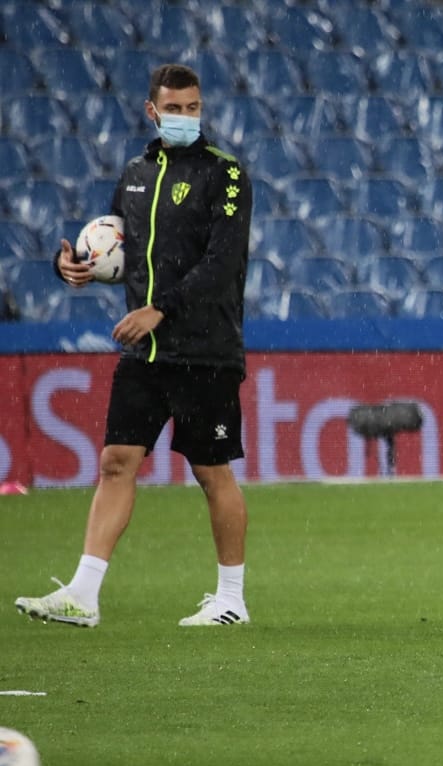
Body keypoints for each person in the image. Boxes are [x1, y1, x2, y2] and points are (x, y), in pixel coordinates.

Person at [15, 63, 253, 629]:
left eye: (192, 108)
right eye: (174, 109)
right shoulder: (136, 174)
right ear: (153, 110)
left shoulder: (226, 174)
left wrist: (159, 309)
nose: (184, 118)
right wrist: (72, 265)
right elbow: (113, 241)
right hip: (145, 352)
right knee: (116, 462)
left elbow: (222, 263)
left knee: (211, 471)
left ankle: (231, 599)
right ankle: (83, 594)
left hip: (204, 348)